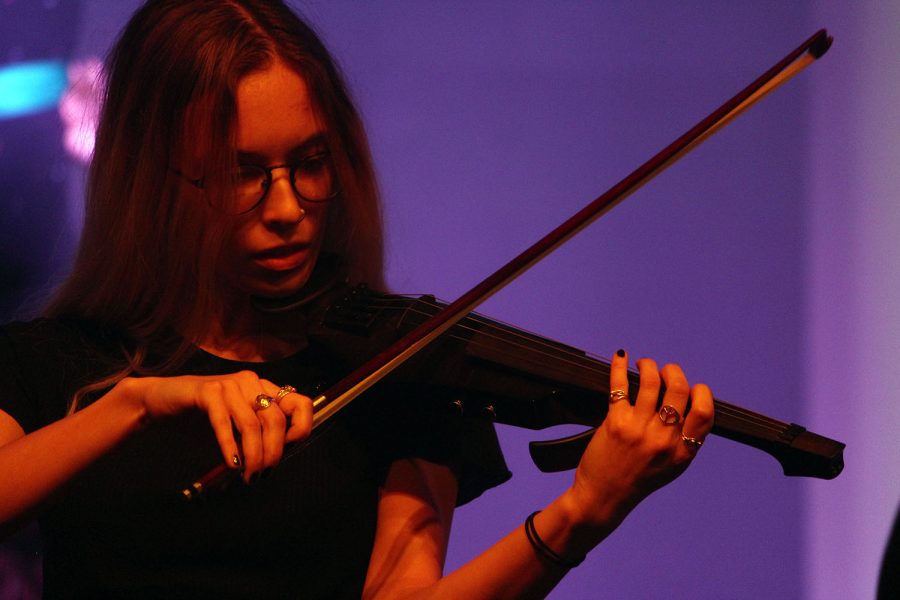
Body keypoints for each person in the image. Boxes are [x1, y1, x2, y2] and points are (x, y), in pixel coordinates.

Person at [0, 1, 714, 597]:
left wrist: (582, 514)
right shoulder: (54, 364)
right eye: (243, 173)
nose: (287, 208)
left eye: (310, 163)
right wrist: (137, 401)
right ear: (155, 179)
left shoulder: (399, 371)